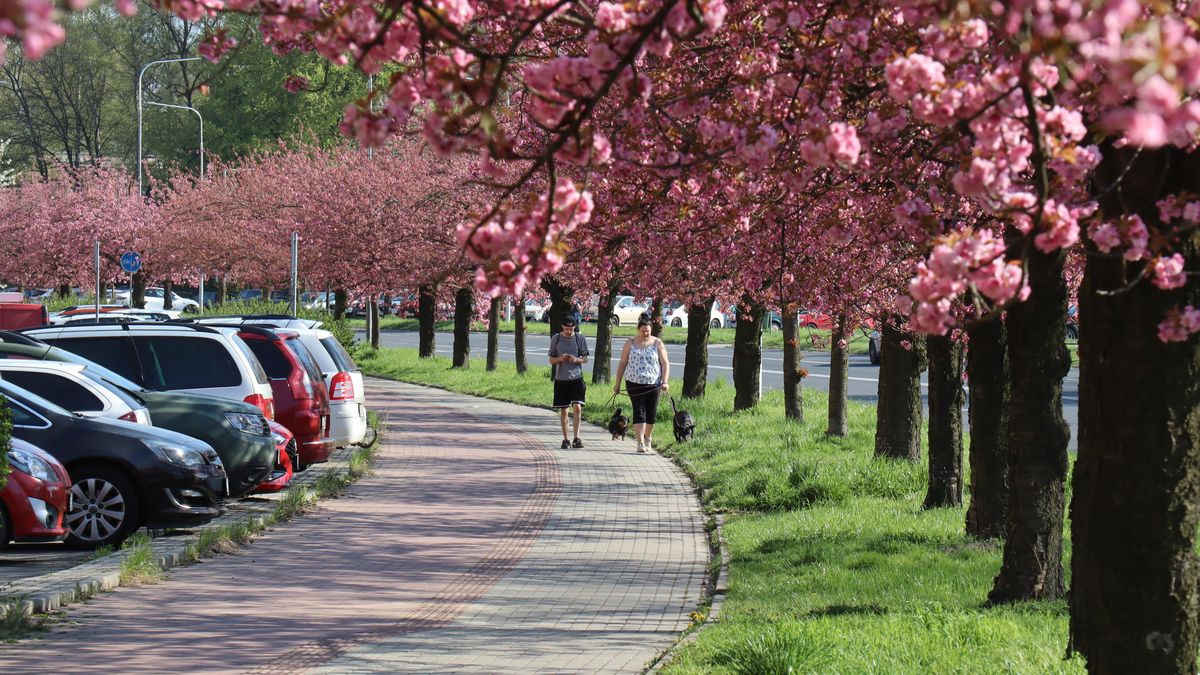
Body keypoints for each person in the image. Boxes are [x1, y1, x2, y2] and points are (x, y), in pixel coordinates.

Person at [613, 312, 670, 453]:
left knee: (651, 414)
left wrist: (665, 381)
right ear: (638, 330)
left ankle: (647, 436)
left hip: (653, 384)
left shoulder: (657, 343)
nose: (645, 334)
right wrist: (617, 383)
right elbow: (622, 363)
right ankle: (640, 442)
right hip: (633, 382)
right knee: (639, 411)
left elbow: (665, 363)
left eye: (648, 331)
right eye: (643, 331)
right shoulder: (630, 343)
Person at [549, 313, 589, 449]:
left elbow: (585, 359)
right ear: (562, 327)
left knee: (577, 407)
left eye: (571, 329)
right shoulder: (556, 338)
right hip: (561, 379)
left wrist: (575, 359)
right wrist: (560, 359)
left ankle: (577, 438)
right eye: (566, 329)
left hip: (576, 378)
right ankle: (566, 439)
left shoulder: (579, 339)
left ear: (575, 327)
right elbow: (551, 360)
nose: (568, 331)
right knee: (564, 410)